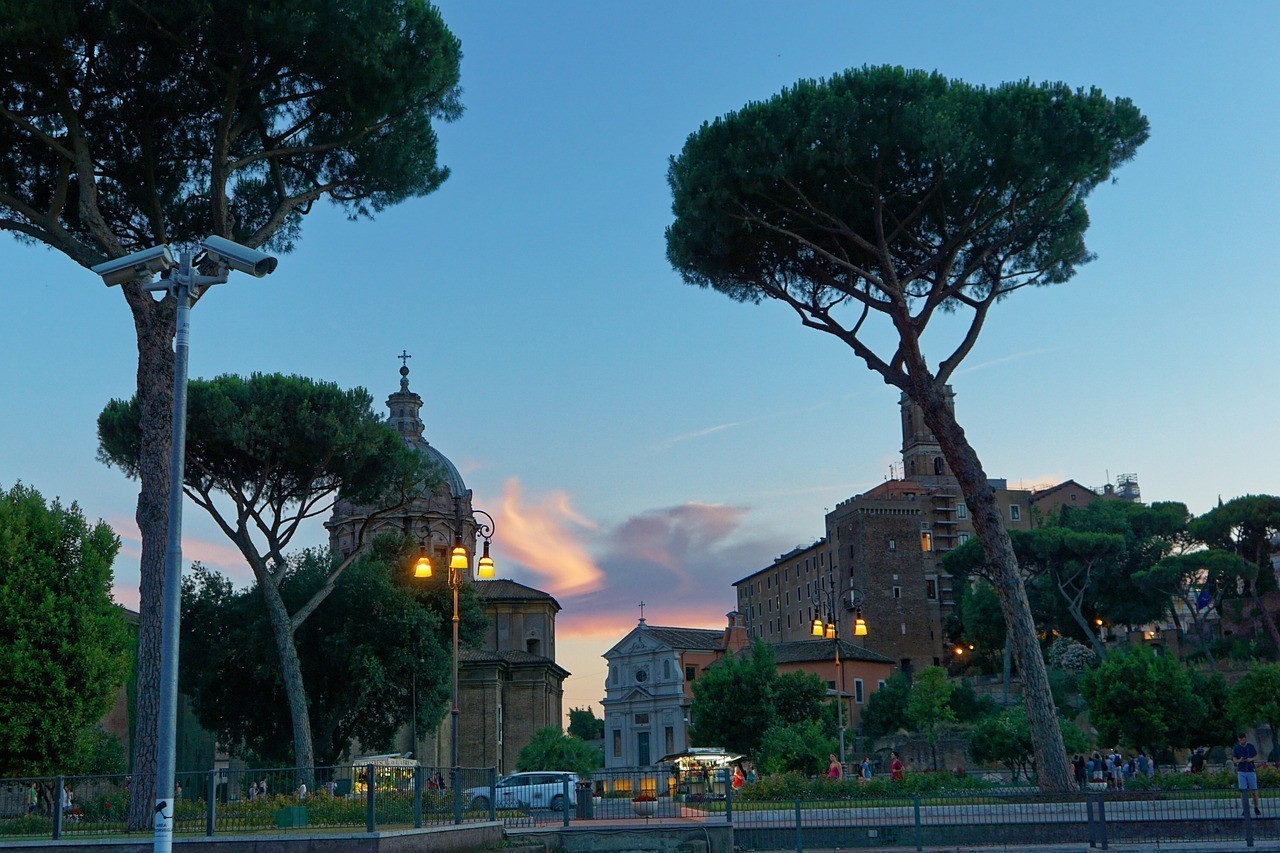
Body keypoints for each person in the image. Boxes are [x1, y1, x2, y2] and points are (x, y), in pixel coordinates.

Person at [1233, 733, 1262, 817]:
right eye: (1240, 739)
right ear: (1238, 739)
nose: (1242, 741)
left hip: (1250, 770)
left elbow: (1256, 756)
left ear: (1245, 739)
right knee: (1243, 791)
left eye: (1243, 739)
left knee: (1254, 790)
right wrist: (1240, 760)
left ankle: (1256, 807)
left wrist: (1251, 759)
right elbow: (1234, 760)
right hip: (1241, 771)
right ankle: (1245, 809)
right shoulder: (1237, 748)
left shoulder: (1250, 746)